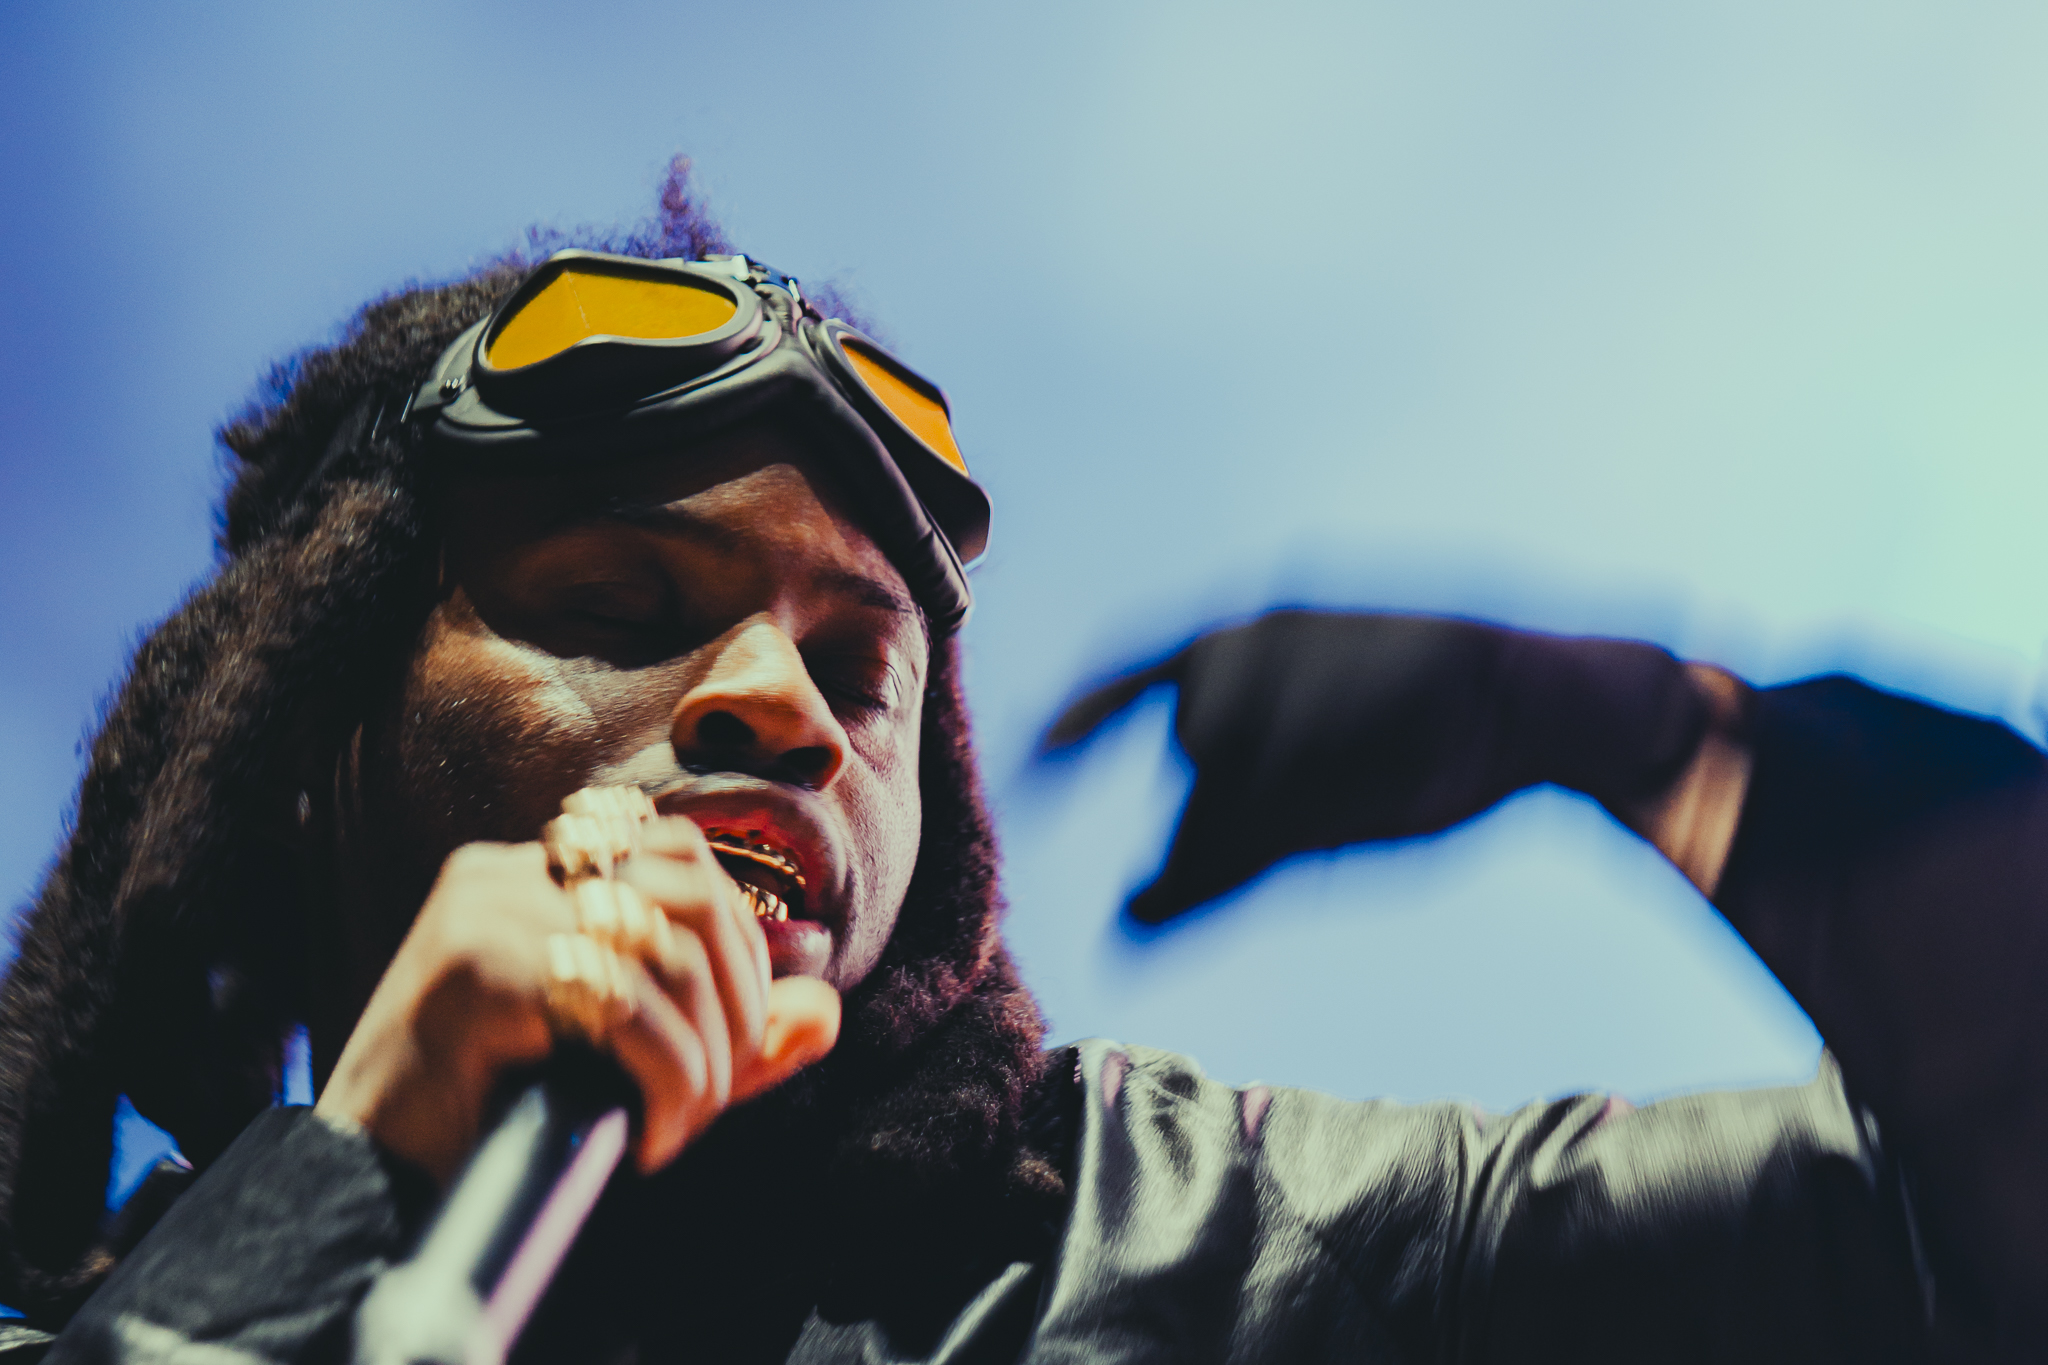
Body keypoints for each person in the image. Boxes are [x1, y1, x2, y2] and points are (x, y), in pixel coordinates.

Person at [0, 163, 2036, 1363]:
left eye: (856, 665)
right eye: (623, 605)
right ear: (309, 748)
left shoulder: (1174, 1237)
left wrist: (1681, 744)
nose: (781, 708)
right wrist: (328, 1208)